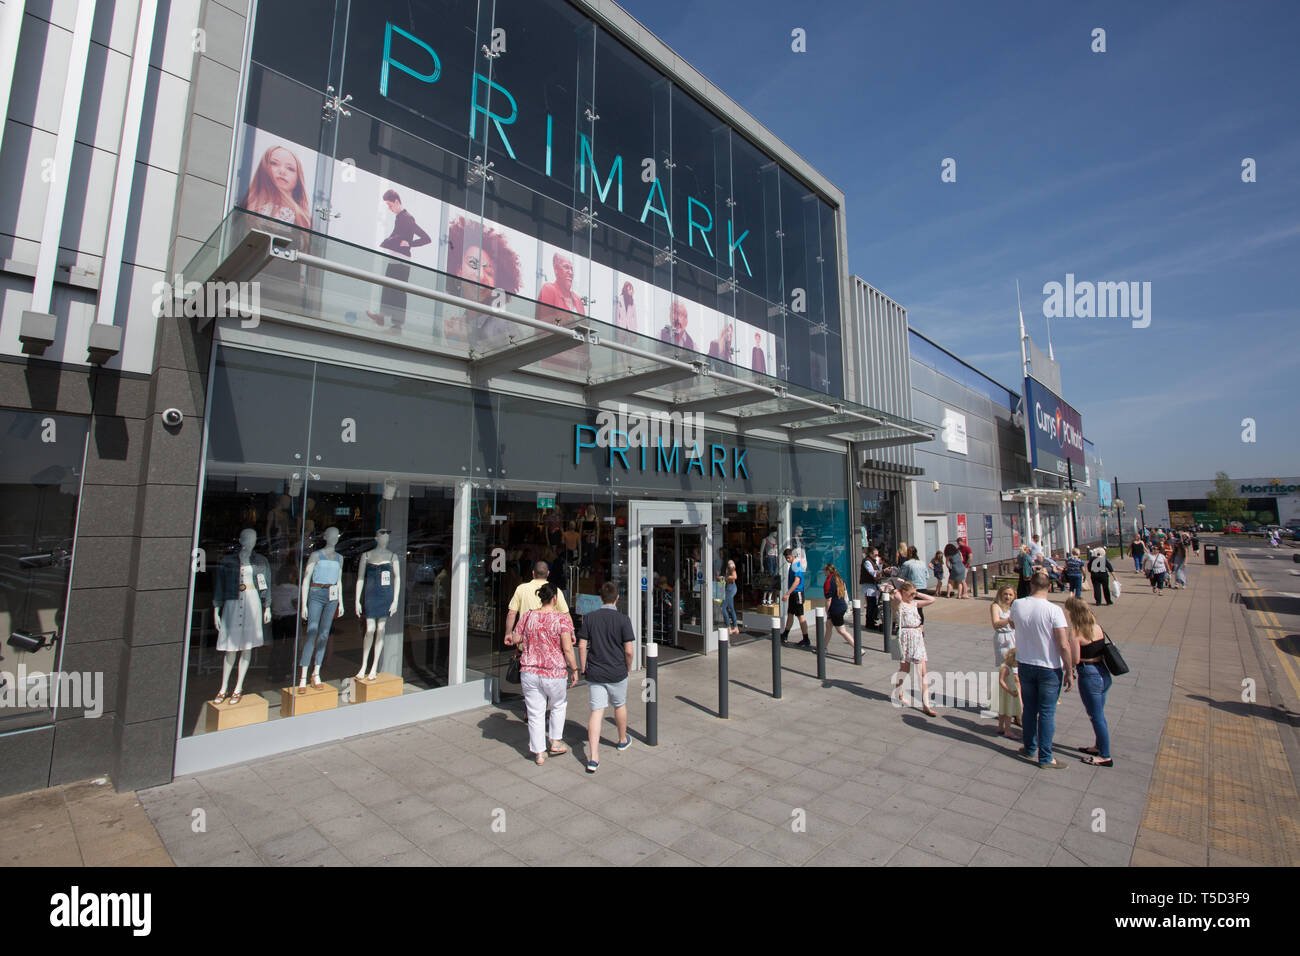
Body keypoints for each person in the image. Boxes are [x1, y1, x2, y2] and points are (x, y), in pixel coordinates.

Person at [505, 583, 578, 765]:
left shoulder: (529, 615)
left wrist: (519, 637)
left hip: (529, 671)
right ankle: (555, 741)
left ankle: (539, 753)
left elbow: (516, 638)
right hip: (554, 672)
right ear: (554, 599)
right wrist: (575, 669)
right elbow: (568, 649)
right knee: (558, 705)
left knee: (535, 712)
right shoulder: (562, 619)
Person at [1009, 571, 1076, 768]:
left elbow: (1013, 623)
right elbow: (1063, 644)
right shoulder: (1054, 610)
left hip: (1025, 663)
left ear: (1031, 585)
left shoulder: (1018, 604)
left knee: (1029, 709)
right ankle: (1046, 757)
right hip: (1049, 666)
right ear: (1049, 587)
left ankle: (1030, 748)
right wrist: (1070, 671)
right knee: (1047, 712)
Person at [577, 581, 635, 773]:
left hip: (596, 672)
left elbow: (583, 645)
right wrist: (627, 667)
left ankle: (593, 758)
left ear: (601, 597)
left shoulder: (590, 618)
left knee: (596, 711)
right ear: (617, 598)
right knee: (619, 705)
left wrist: (583, 666)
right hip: (617, 671)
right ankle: (622, 739)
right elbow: (629, 650)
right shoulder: (623, 620)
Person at [365, 189, 431, 333]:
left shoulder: (407, 218)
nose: (389, 209)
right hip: (396, 259)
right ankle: (383, 317)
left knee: (398, 291)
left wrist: (410, 244)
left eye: (390, 205)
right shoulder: (401, 217)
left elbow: (426, 238)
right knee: (388, 287)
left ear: (396, 202)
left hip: (401, 261)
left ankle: (397, 325)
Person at [1064, 596, 1112, 767]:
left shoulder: (1076, 632)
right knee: (1099, 712)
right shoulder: (1097, 627)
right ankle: (1098, 746)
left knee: (1096, 715)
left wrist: (1068, 665)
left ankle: (1105, 755)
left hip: (1089, 674)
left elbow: (1076, 659)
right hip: (1103, 673)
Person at [887, 581, 938, 717]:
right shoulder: (899, 604)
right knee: (905, 669)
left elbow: (932, 599)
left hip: (917, 636)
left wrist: (916, 593)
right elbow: (896, 596)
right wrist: (899, 589)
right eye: (910, 594)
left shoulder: (915, 603)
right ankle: (898, 692)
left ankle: (926, 704)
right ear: (903, 593)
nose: (912, 596)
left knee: (922, 672)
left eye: (913, 594)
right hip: (905, 637)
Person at [240, 144, 312, 228]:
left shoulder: (304, 220)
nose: (282, 171)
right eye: (274, 163)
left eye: (290, 168)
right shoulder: (245, 207)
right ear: (264, 168)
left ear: (298, 179)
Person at [504, 561, 570, 641]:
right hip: (549, 644)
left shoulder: (521, 589)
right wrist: (572, 633)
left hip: (525, 642)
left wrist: (508, 633)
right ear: (548, 573)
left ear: (533, 573)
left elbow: (511, 613)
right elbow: (565, 615)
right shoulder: (556, 590)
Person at [779, 548, 810, 647]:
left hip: (797, 594)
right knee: (790, 614)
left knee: (800, 616)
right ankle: (785, 634)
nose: (787, 560)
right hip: (794, 594)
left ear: (793, 556)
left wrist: (787, 593)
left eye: (788, 557)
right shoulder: (794, 564)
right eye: (786, 558)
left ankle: (806, 638)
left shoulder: (796, 565)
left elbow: (797, 581)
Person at [538, 253, 585, 317]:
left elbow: (584, 325)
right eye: (566, 267)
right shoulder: (549, 289)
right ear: (556, 269)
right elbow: (547, 320)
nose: (570, 272)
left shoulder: (577, 299)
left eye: (572, 269)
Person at [822, 564, 853, 650]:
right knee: (828, 626)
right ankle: (823, 647)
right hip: (841, 606)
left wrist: (827, 611)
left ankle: (858, 649)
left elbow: (829, 599)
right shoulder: (840, 579)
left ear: (828, 571)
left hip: (835, 609)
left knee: (841, 631)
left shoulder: (829, 581)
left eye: (824, 570)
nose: (824, 572)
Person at [900, 547, 931, 623]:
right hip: (923, 587)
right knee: (919, 609)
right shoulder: (922, 563)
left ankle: (912, 625)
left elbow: (901, 576)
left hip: (911, 588)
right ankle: (921, 627)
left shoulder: (907, 564)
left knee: (911, 607)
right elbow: (927, 576)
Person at [997, 648, 1021, 738]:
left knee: (1002, 711)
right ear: (1012, 659)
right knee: (1008, 712)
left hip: (1004, 694)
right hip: (1007, 694)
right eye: (1016, 663)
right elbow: (1001, 681)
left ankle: (1000, 727)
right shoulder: (1005, 668)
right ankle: (1008, 731)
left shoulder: (1006, 666)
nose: (1016, 666)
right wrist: (1010, 691)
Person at [990, 585, 1016, 668]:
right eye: (1005, 594)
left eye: (1010, 595)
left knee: (1015, 666)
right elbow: (996, 624)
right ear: (1000, 594)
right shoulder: (996, 606)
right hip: (1003, 637)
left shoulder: (1014, 606)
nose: (1008, 597)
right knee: (1004, 665)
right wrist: (1009, 619)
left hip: (1014, 636)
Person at [860, 547, 881, 629]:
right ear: (870, 554)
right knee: (870, 604)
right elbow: (872, 572)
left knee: (873, 604)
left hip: (873, 585)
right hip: (869, 586)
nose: (877, 556)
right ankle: (869, 622)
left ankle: (872, 620)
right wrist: (881, 572)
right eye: (875, 555)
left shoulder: (873, 561)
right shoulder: (867, 561)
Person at [722, 559, 739, 635]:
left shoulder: (732, 569)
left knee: (723, 607)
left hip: (731, 589)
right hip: (730, 588)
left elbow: (735, 577)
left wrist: (726, 578)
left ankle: (729, 627)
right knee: (731, 608)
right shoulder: (728, 569)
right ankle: (736, 628)